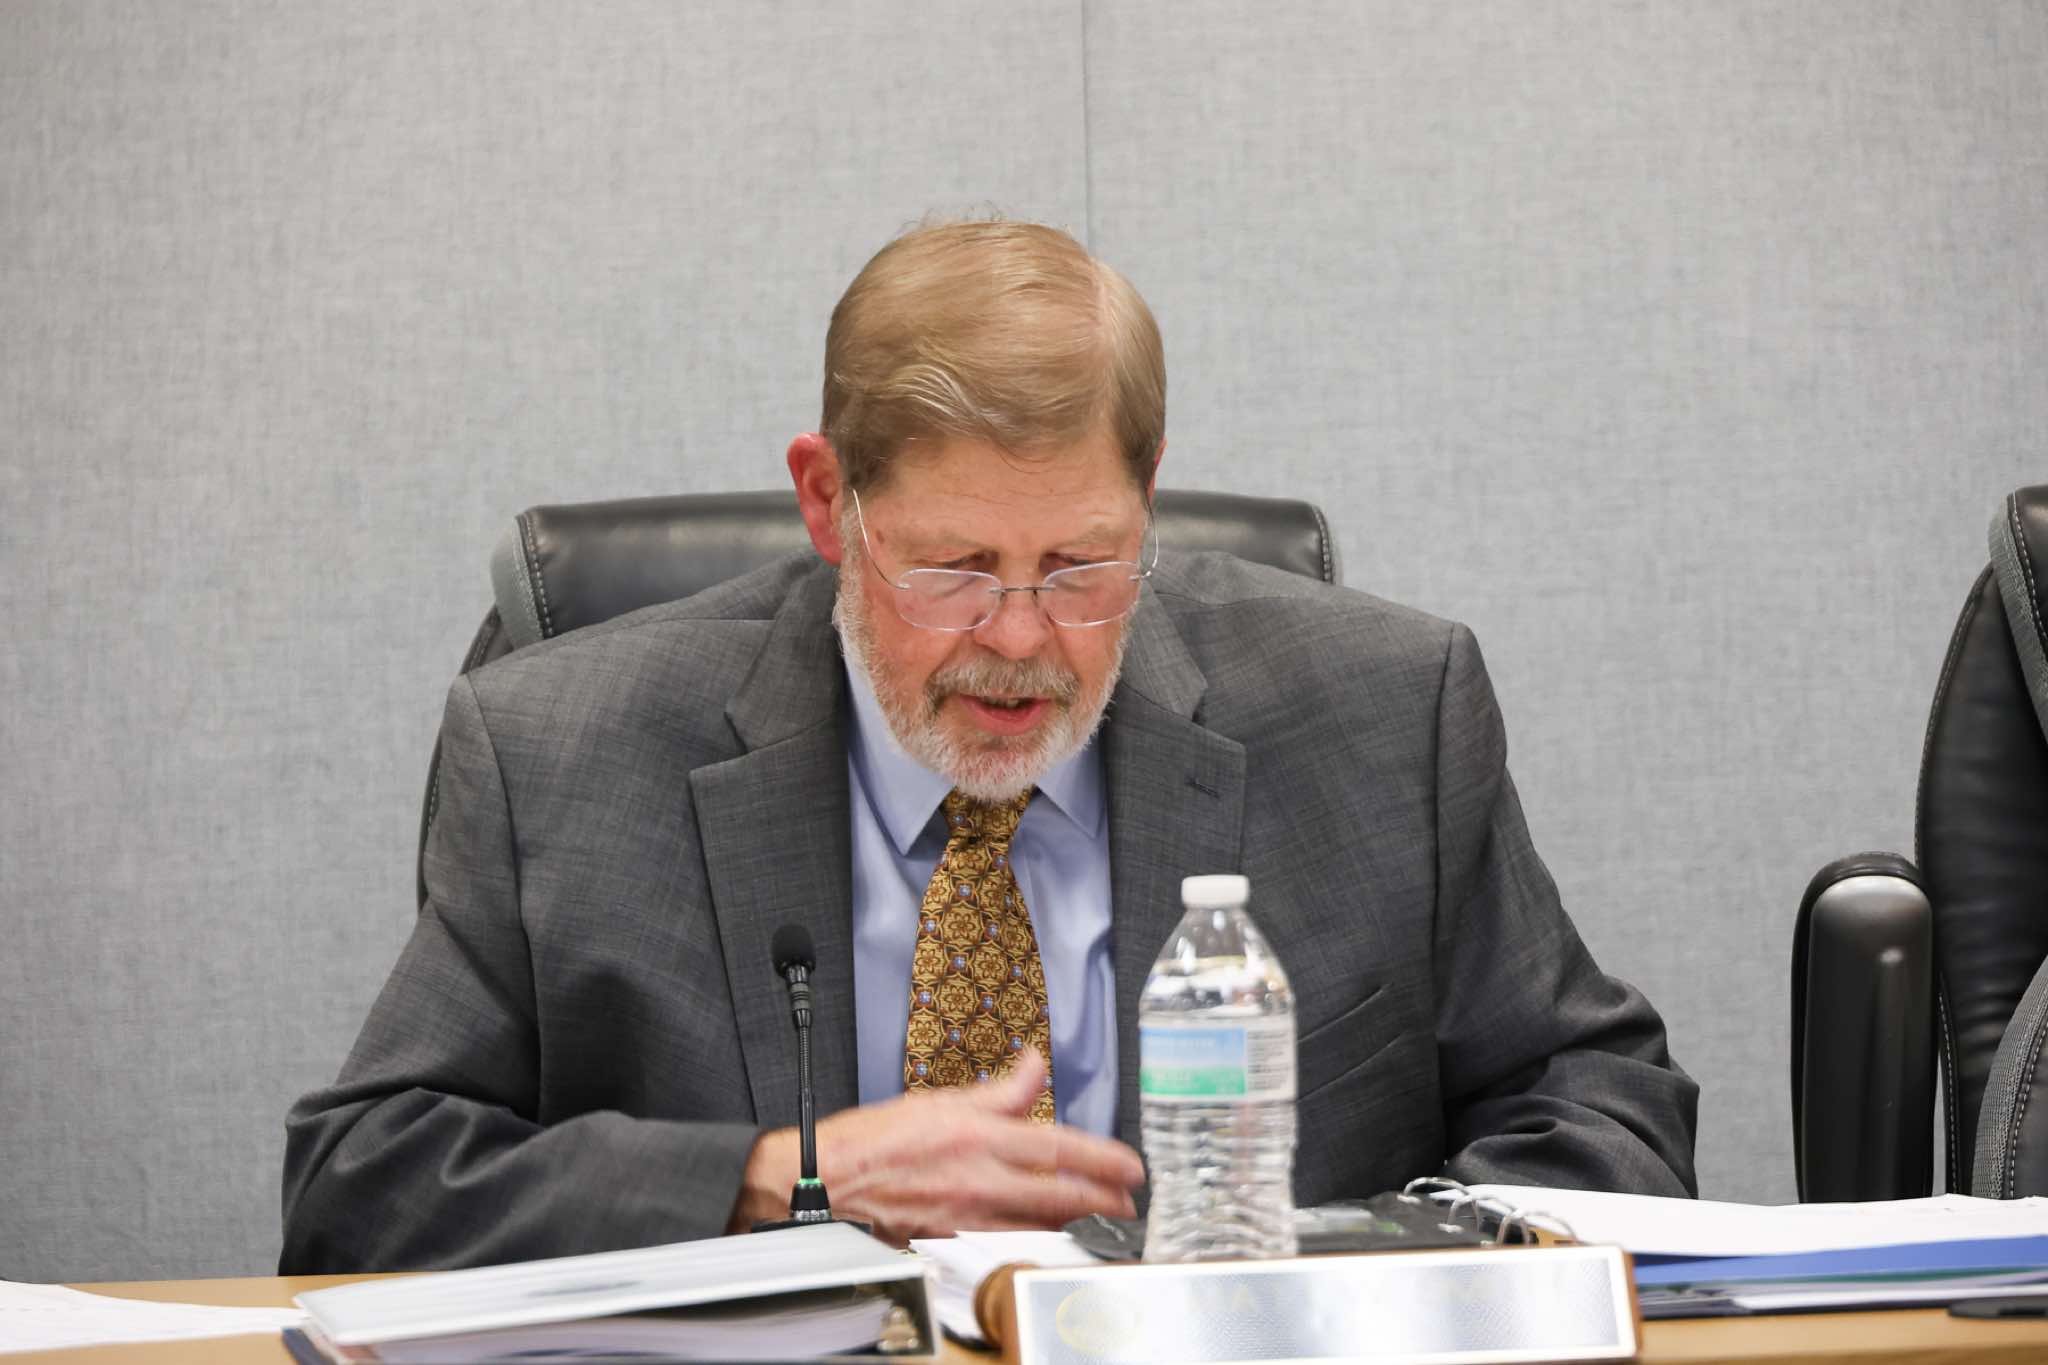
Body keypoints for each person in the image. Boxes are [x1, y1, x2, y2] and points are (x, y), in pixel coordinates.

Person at [280, 219, 1697, 1273]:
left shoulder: (1384, 713)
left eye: (1080, 565)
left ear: (1148, 497)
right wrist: (786, 1175)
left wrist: (1365, 1264)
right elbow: (359, 1189)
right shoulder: (562, 753)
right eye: (953, 568)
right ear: (828, 504)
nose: (1020, 640)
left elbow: (1610, 1109)